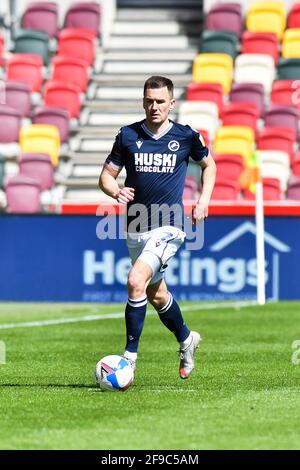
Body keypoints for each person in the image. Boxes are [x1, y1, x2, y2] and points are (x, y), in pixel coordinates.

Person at [99, 76, 216, 380]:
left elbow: (209, 165)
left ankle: (128, 359)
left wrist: (203, 200)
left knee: (136, 280)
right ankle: (187, 339)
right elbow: (107, 176)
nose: (154, 106)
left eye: (160, 101)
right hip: (136, 227)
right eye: (149, 101)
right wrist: (115, 191)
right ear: (143, 101)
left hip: (169, 227)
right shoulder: (127, 136)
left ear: (171, 103)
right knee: (157, 295)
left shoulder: (187, 136)